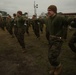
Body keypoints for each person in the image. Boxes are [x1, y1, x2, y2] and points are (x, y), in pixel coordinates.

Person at [46, 5, 67, 75]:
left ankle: (59, 66)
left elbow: (66, 23)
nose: (48, 12)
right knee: (49, 55)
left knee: (52, 56)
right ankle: (54, 66)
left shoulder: (59, 17)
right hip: (51, 39)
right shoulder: (49, 18)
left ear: (54, 11)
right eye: (48, 10)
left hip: (57, 40)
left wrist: (62, 35)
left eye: (50, 10)